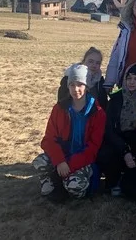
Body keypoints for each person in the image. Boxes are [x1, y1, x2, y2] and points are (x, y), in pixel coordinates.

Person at [34, 63, 106, 201]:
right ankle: (51, 181)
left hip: (82, 160)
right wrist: (60, 161)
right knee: (40, 162)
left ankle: (73, 186)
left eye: (80, 84)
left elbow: (93, 148)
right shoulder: (59, 108)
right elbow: (49, 139)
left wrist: (70, 165)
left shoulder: (98, 113)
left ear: (87, 86)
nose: (76, 89)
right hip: (62, 156)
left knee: (74, 187)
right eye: (72, 84)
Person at [98, 64, 136, 196]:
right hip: (120, 141)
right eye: (129, 78)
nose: (131, 82)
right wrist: (124, 150)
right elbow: (109, 129)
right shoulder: (116, 99)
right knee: (105, 153)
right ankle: (114, 181)